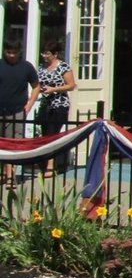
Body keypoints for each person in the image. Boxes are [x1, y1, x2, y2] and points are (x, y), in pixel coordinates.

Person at [0, 39, 40, 188]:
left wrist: (29, 104)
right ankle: (5, 173)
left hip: (17, 110)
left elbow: (36, 86)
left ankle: (10, 177)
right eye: (8, 52)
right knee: (2, 144)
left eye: (14, 52)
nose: (11, 55)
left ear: (19, 52)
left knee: (13, 145)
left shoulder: (26, 67)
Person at [35, 41, 76, 182]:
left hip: (59, 104)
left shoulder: (63, 67)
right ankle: (45, 162)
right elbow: (38, 84)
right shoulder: (41, 67)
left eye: (47, 53)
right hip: (46, 104)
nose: (44, 56)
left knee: (53, 134)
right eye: (43, 53)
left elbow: (71, 85)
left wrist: (54, 89)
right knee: (45, 134)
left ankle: (51, 166)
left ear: (55, 54)